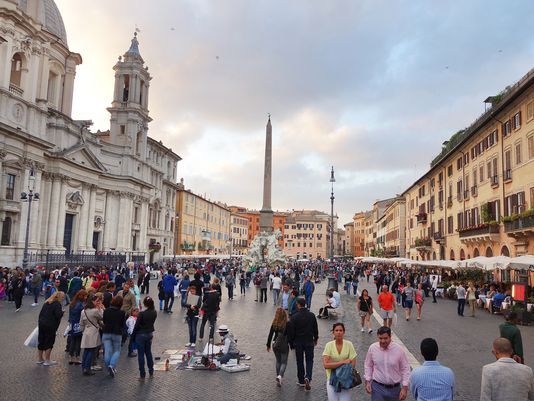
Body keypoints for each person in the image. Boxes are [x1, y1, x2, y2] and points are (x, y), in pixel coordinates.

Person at [364, 326, 410, 401]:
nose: (382, 341)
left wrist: (405, 387)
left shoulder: (399, 350)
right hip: (377, 388)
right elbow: (368, 365)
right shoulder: (372, 348)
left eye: (385, 338)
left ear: (390, 337)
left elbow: (405, 368)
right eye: (380, 338)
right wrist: (367, 381)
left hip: (394, 390)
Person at [287, 297, 319, 391]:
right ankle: (308, 377)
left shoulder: (294, 316)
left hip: (298, 342)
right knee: (309, 360)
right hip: (309, 341)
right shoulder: (312, 315)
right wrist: (316, 338)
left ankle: (301, 380)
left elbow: (291, 332)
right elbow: (315, 328)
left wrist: (291, 343)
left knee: (299, 361)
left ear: (298, 304)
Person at [323, 323, 357, 401]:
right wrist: (344, 362)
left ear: (344, 332)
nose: (338, 332)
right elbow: (326, 365)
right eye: (336, 330)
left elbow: (353, 364)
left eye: (341, 330)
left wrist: (333, 363)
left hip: (345, 380)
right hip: (331, 380)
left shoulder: (349, 344)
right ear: (333, 332)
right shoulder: (329, 345)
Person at [36, 291, 65, 366]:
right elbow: (58, 315)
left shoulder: (47, 302)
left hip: (42, 323)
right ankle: (47, 360)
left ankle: (40, 359)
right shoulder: (57, 304)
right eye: (62, 297)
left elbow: (41, 314)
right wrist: (62, 312)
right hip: (50, 325)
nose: (63, 298)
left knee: (41, 341)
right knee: (49, 342)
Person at [102, 295, 126, 378]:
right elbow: (122, 324)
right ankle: (111, 365)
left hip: (106, 332)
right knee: (117, 351)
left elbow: (104, 320)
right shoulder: (122, 312)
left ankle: (109, 368)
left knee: (107, 351)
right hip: (117, 333)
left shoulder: (106, 310)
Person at [134, 296, 157, 381]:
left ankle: (142, 375)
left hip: (141, 335)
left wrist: (134, 335)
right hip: (149, 334)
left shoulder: (142, 313)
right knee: (148, 353)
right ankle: (151, 371)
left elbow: (136, 326)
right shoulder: (154, 312)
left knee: (141, 355)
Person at [79, 294, 104, 376]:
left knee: (86, 350)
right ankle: (88, 368)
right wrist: (100, 308)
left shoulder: (83, 311)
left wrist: (83, 331)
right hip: (93, 332)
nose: (98, 303)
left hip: (86, 331)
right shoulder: (95, 311)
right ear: (92, 301)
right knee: (91, 350)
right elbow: (102, 317)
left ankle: (84, 368)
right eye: (97, 301)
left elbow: (81, 324)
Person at [266, 307, 290, 387]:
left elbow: (270, 334)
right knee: (284, 362)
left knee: (278, 361)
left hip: (275, 343)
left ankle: (278, 377)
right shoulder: (287, 323)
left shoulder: (274, 323)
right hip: (284, 344)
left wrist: (268, 345)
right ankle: (280, 376)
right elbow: (290, 335)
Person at [68, 289, 87, 365]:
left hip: (73, 323)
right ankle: (77, 357)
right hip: (79, 323)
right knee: (78, 341)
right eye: (85, 296)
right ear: (82, 296)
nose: (86, 297)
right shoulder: (80, 305)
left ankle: (71, 356)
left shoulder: (73, 303)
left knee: (73, 340)